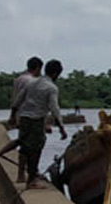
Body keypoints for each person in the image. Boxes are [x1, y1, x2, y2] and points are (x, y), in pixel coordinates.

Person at [11, 58, 68, 188]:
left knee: (24, 147)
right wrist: (62, 129)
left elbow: (18, 99)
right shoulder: (51, 88)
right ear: (55, 74)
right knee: (36, 148)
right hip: (36, 120)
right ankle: (31, 180)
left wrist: (13, 114)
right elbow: (55, 109)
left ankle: (22, 175)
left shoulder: (31, 82)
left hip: (24, 118)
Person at [6, 56, 42, 130]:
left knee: (24, 137)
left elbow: (14, 98)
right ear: (38, 68)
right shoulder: (33, 81)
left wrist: (12, 116)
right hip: (30, 117)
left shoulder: (18, 79)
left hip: (19, 116)